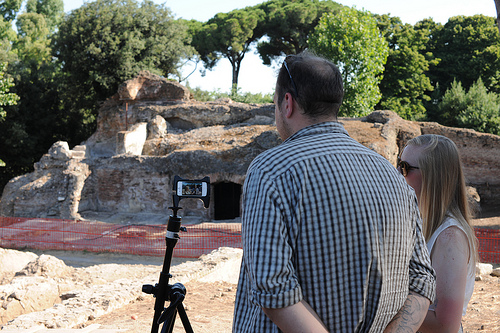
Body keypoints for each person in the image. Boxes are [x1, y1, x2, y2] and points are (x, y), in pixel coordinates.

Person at [232, 51, 436, 333]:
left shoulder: (271, 170)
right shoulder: (392, 175)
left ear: (287, 103)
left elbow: (274, 289)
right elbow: (422, 279)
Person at [398, 134, 477, 333]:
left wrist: (384, 300)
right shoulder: (422, 222)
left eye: (405, 168)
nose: (399, 174)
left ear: (434, 177)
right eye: (398, 165)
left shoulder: (450, 237)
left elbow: (445, 325)